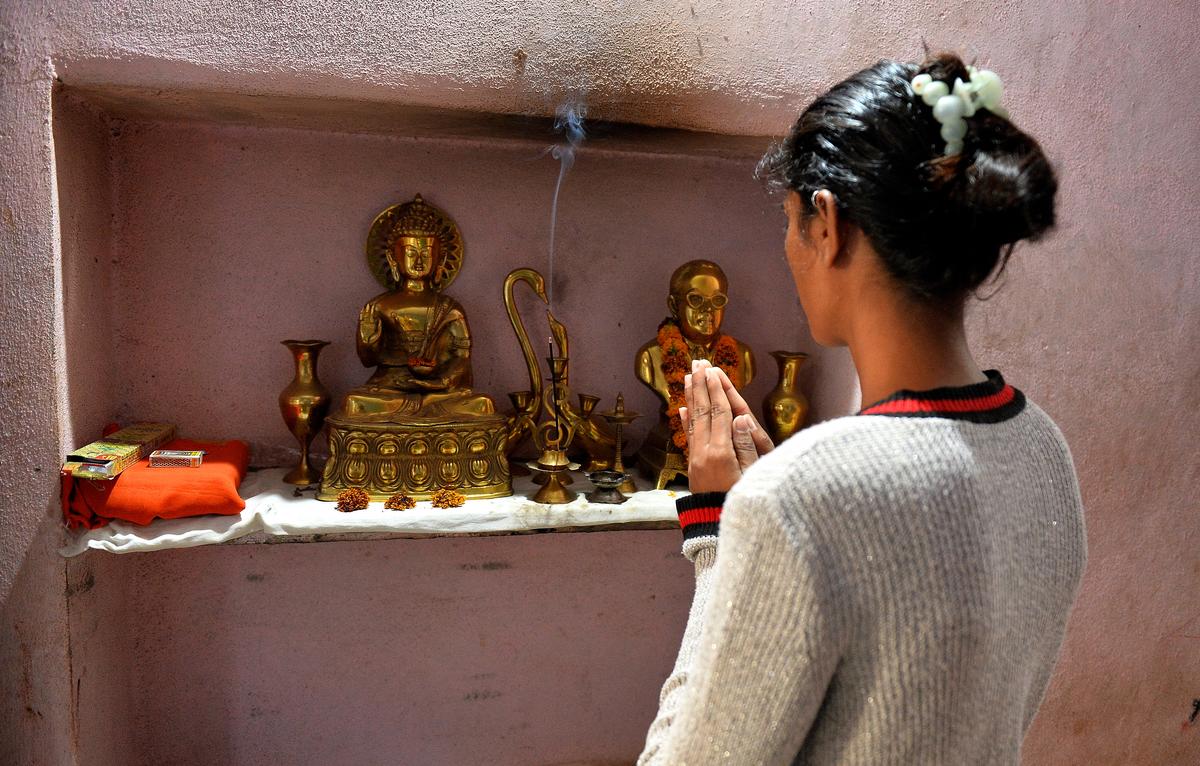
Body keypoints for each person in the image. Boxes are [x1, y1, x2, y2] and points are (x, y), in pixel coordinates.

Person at [637, 53, 1087, 765]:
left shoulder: (802, 497)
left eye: (788, 220)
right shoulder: (1044, 451)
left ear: (827, 224)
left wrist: (718, 533)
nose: (787, 248)